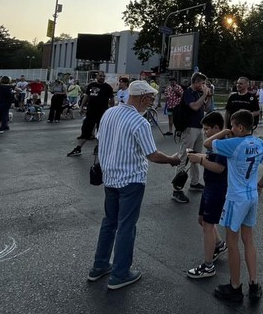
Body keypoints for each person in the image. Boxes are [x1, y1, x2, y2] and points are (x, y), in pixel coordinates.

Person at [87, 80, 181, 290]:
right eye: (150, 99)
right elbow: (153, 155)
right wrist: (172, 159)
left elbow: (100, 140)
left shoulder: (109, 113)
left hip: (110, 177)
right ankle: (120, 274)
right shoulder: (140, 122)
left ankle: (99, 265)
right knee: (126, 226)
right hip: (131, 179)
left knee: (109, 222)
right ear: (142, 97)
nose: (151, 102)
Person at [206, 109, 263, 301]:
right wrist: (260, 185)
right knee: (248, 239)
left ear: (240, 127)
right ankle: (253, 283)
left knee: (232, 242)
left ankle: (235, 286)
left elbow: (207, 143)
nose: (231, 129)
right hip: (252, 196)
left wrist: (224, 132)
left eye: (233, 126)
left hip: (236, 198)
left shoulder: (233, 144)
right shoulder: (261, 144)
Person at [184, 111, 229, 279]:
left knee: (208, 226)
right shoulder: (215, 143)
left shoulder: (222, 144)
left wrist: (200, 160)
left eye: (207, 129)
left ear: (217, 128)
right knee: (202, 220)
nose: (204, 132)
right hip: (209, 187)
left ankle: (208, 266)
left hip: (217, 189)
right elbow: (211, 157)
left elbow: (219, 168)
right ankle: (219, 245)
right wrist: (198, 156)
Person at [171, 72, 212, 203]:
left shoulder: (198, 93)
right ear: (196, 82)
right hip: (189, 128)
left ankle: (194, 182)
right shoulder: (188, 92)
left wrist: (208, 96)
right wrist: (204, 94)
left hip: (199, 127)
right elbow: (194, 107)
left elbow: (206, 108)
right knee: (184, 157)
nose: (203, 86)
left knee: (196, 156)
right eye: (202, 83)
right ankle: (177, 189)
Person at [67, 72, 115, 157]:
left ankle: (98, 147)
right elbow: (86, 96)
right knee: (86, 130)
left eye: (103, 76)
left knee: (101, 131)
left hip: (102, 113)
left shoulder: (107, 87)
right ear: (97, 76)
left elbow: (111, 99)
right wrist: (81, 107)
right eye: (100, 76)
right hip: (91, 112)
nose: (102, 77)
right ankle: (78, 148)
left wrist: (112, 110)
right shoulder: (91, 85)